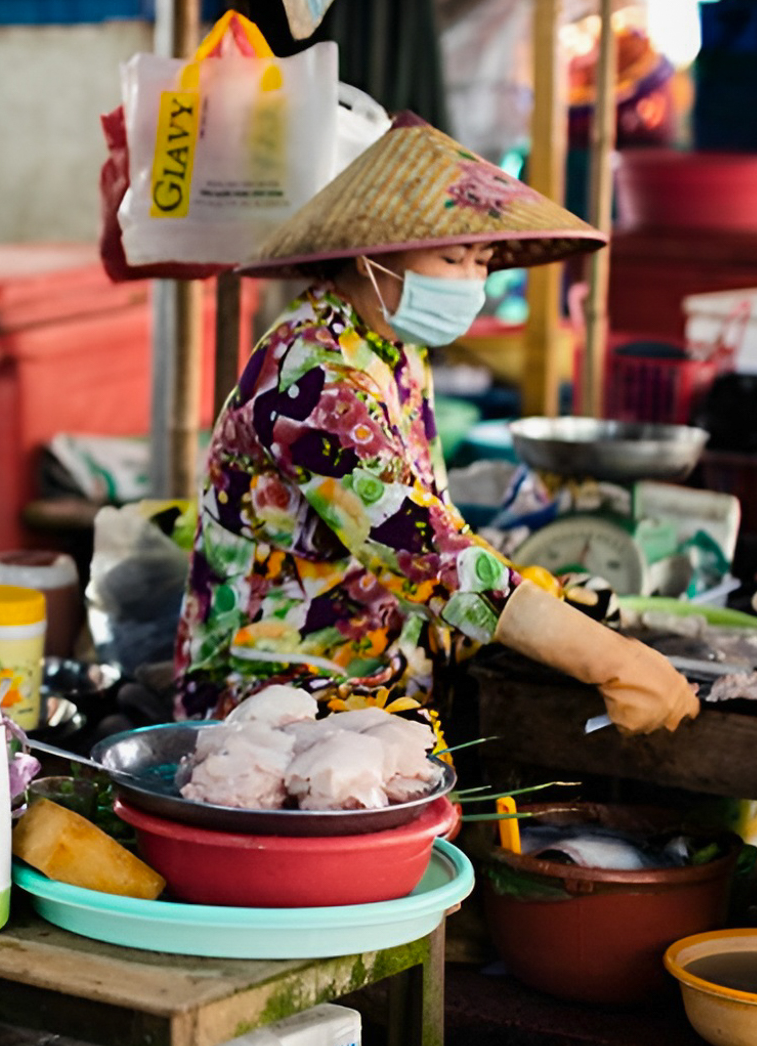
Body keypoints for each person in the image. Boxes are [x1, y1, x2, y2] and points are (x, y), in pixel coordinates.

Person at [176, 114, 697, 737]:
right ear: (372, 258)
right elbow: (427, 551)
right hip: (270, 692)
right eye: (453, 257)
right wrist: (610, 661)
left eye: (482, 259)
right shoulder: (313, 380)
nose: (474, 280)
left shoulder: (389, 343)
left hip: (381, 650)